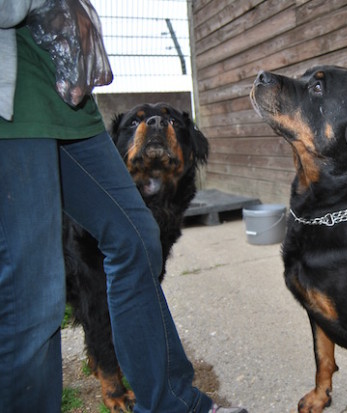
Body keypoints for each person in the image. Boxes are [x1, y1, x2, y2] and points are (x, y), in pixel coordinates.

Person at [0, 1, 248, 412]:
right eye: (139, 121)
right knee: (34, 291)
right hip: (9, 106)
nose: (154, 125)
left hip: (65, 101)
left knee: (136, 239)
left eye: (166, 121)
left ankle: (173, 403)